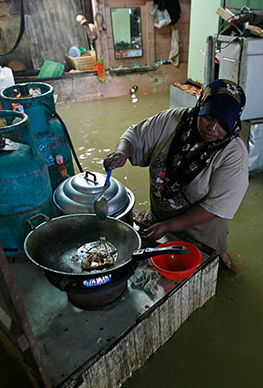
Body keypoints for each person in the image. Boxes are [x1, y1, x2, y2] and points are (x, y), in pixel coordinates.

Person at [103, 79, 249, 270]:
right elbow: (134, 136)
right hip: (160, 226)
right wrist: (122, 152)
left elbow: (215, 207)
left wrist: (169, 226)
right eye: (208, 117)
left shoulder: (233, 154)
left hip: (201, 240)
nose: (213, 128)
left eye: (223, 123)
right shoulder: (174, 120)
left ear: (233, 122)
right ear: (200, 107)